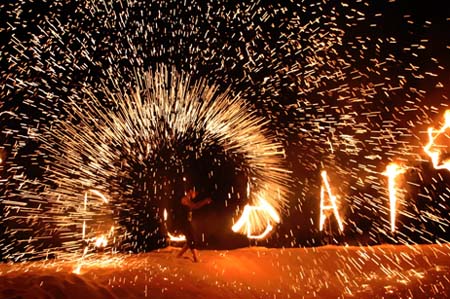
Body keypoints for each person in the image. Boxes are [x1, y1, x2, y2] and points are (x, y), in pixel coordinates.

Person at [176, 188, 212, 262]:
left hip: (187, 222)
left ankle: (179, 255)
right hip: (183, 223)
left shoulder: (188, 200)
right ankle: (195, 258)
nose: (195, 194)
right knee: (191, 239)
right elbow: (194, 206)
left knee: (190, 239)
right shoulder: (184, 199)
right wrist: (204, 201)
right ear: (190, 191)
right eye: (195, 192)